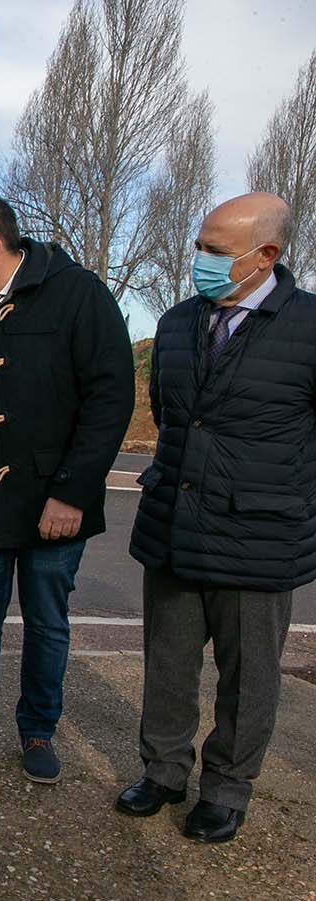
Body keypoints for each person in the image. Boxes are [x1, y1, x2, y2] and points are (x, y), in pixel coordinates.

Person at [0, 192, 133, 785]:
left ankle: (38, 731)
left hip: (53, 502)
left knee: (47, 622)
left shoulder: (77, 294)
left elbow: (111, 398)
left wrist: (73, 492)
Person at [119, 193, 311, 843]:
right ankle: (162, 770)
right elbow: (171, 414)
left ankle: (225, 788)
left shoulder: (307, 326)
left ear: (265, 255)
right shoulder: (175, 324)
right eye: (198, 245)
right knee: (167, 665)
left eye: (214, 251)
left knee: (248, 676)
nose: (198, 259)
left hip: (259, 536)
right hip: (173, 524)